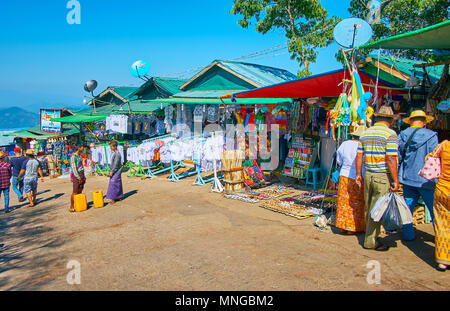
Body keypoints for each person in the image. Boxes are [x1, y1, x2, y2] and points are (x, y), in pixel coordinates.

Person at [356, 106, 400, 251]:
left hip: (368, 174)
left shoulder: (366, 133)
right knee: (378, 209)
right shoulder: (390, 134)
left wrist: (358, 174)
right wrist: (395, 179)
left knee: (369, 207)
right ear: (389, 120)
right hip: (382, 176)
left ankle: (371, 235)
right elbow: (391, 159)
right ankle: (370, 241)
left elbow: (359, 156)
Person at [398, 110, 438, 242]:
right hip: (426, 180)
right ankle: (440, 236)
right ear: (425, 122)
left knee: (407, 208)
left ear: (410, 121)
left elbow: (398, 156)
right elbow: (434, 157)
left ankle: (408, 235)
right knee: (434, 210)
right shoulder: (432, 136)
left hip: (408, 177)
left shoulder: (403, 134)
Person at [335, 126, 366, 234]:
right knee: (356, 202)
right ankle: (352, 227)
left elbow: (338, 159)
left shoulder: (345, 144)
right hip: (358, 176)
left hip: (344, 175)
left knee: (344, 201)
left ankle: (343, 226)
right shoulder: (362, 145)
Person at [429, 140, 450, 271]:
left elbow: (429, 157)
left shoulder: (444, 144)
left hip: (443, 189)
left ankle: (443, 261)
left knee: (442, 225)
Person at [70, 144, 86, 213]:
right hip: (77, 175)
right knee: (75, 191)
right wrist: (78, 177)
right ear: (79, 148)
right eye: (82, 148)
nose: (83, 149)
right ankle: (72, 206)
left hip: (81, 173)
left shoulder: (79, 156)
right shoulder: (73, 157)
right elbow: (74, 168)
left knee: (80, 189)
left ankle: (79, 204)